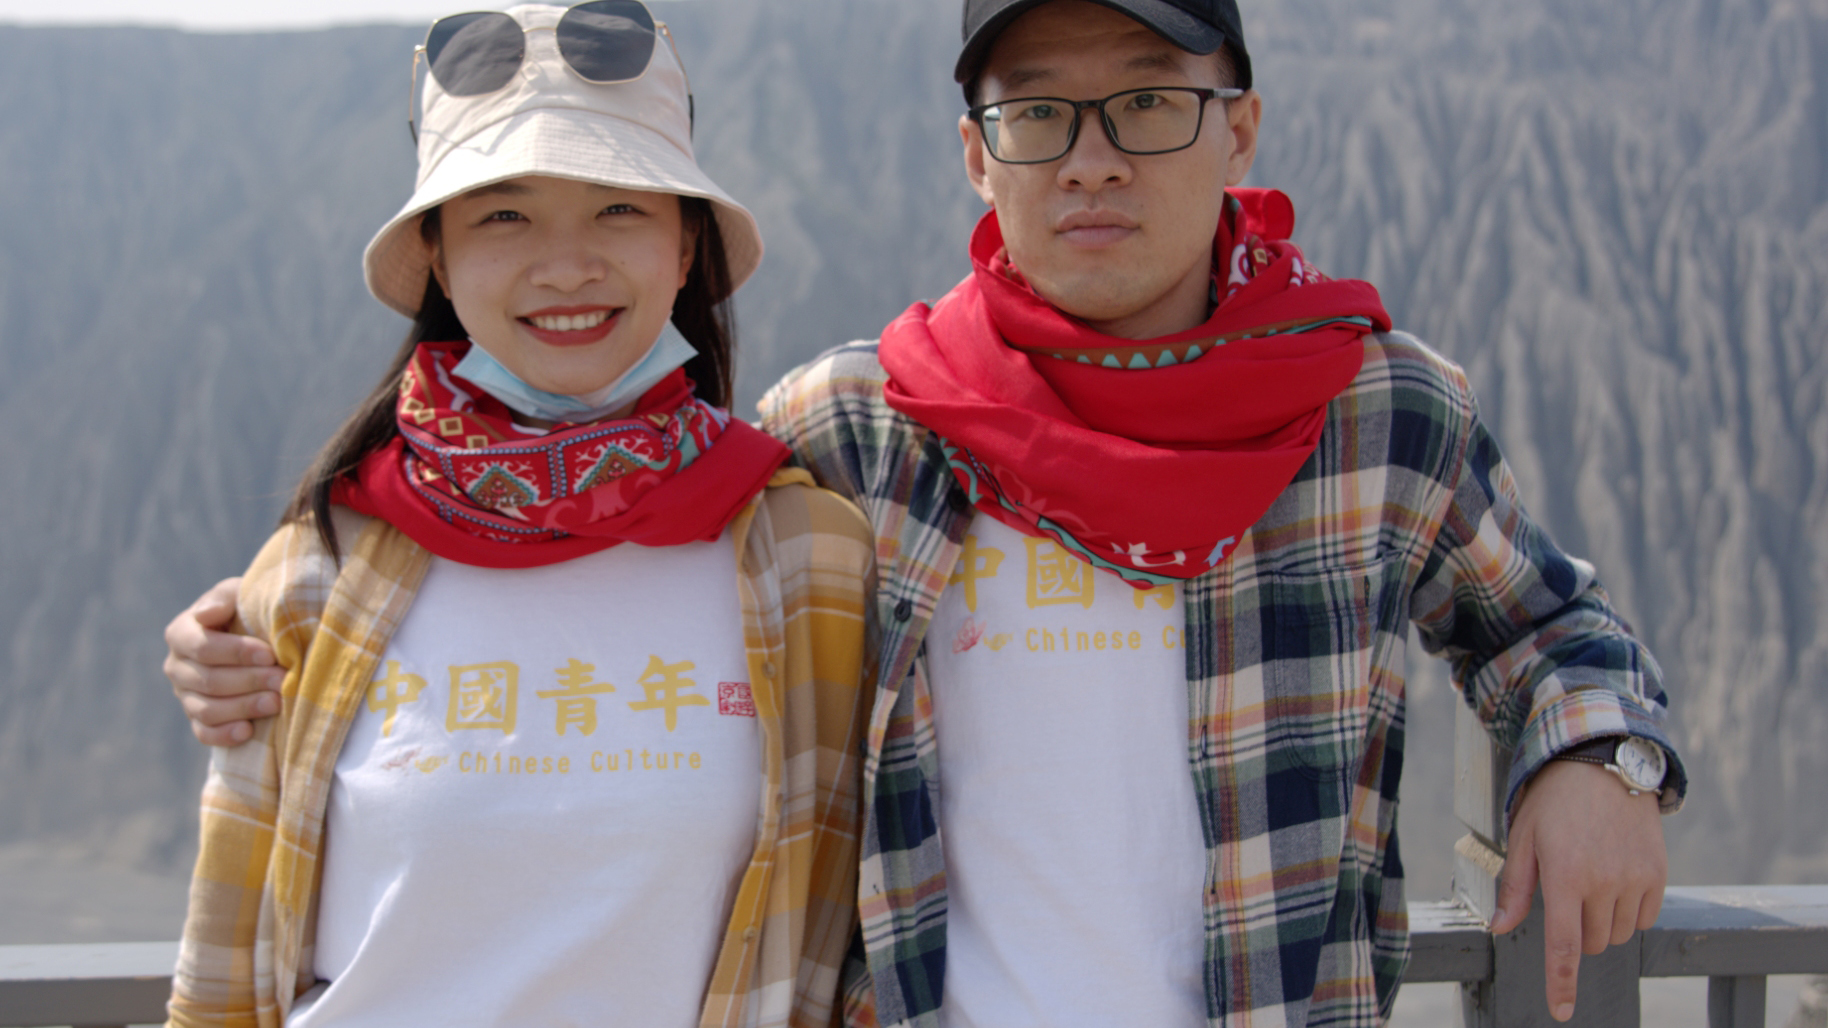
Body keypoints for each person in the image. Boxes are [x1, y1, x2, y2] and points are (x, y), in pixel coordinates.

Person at [165, 0, 1686, 1024]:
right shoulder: (862, 427)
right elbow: (590, 514)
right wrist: (253, 631)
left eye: (1148, 105)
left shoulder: (1371, 414)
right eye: (1038, 116)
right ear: (976, 154)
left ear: (1239, 131)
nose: (1091, 159)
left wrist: (1599, 757)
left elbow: (1546, 625)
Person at [164, 4, 874, 1026]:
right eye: (503, 216)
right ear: (439, 259)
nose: (566, 265)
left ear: (685, 249)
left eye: (619, 207)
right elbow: (226, 962)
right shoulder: (321, 567)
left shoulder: (809, 561)